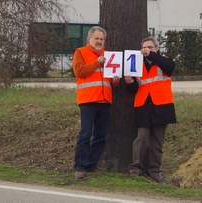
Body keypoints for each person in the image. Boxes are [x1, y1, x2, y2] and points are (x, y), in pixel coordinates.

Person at [124, 36, 177, 183]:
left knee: (157, 143)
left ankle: (155, 172)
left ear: (156, 48)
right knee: (142, 138)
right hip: (143, 106)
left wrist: (151, 55)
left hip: (161, 106)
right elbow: (134, 88)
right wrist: (129, 83)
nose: (146, 49)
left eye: (149, 47)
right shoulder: (136, 64)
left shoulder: (164, 61)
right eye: (144, 47)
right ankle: (135, 168)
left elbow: (170, 67)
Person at [72, 26, 120, 179]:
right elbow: (79, 72)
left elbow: (111, 80)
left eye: (101, 39)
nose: (99, 41)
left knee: (100, 136)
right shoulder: (81, 52)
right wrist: (97, 63)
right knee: (85, 135)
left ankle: (91, 165)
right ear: (89, 39)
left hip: (105, 100)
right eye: (96, 39)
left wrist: (115, 81)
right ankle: (79, 167)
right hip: (88, 100)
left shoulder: (109, 55)